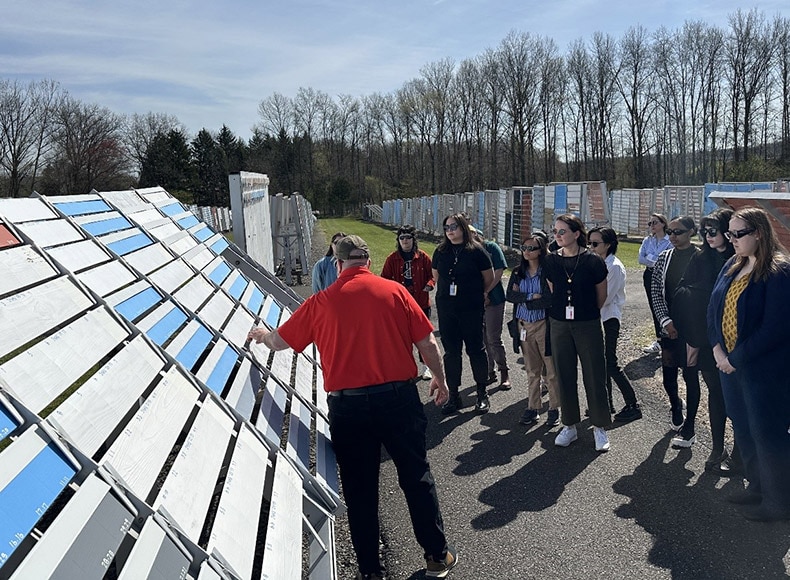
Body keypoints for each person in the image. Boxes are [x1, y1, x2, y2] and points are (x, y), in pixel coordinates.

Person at [248, 235, 458, 578]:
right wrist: (440, 379)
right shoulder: (395, 293)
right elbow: (427, 342)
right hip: (398, 400)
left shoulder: (320, 302)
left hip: (349, 408)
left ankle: (370, 571)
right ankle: (436, 555)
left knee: (361, 490)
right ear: (368, 262)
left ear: (337, 263)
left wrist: (262, 336)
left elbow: (280, 341)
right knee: (416, 476)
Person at [707, 207, 790, 521]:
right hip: (729, 367)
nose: (732, 240)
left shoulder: (779, 271)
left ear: (758, 232)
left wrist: (735, 359)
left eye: (738, 234)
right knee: (743, 429)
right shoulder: (732, 263)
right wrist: (717, 350)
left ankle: (779, 501)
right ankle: (758, 486)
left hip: (762, 372)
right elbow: (713, 308)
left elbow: (776, 328)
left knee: (767, 433)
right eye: (729, 233)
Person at [673, 209, 740, 473]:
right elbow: (681, 289)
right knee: (715, 392)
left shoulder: (740, 259)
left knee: (737, 397)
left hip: (735, 338)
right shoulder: (700, 258)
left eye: (714, 231)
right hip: (706, 336)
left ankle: (739, 451)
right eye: (705, 231)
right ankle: (716, 445)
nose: (709, 236)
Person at [543, 214, 611, 452]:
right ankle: (569, 425)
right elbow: (554, 290)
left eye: (562, 231)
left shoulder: (593, 261)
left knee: (594, 373)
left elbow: (600, 296)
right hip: (560, 323)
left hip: (588, 323)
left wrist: (586, 313)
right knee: (564, 373)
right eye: (555, 231)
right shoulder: (551, 261)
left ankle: (600, 426)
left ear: (576, 233)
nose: (558, 236)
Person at [432, 213, 495, 414]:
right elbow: (436, 276)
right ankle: (454, 396)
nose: (450, 231)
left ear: (463, 228)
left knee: (476, 350)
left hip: (471, 308)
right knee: (451, 352)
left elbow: (489, 278)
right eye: (447, 228)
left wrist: (475, 293)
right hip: (447, 309)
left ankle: (481, 394)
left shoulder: (476, 251)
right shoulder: (441, 251)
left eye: (454, 227)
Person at [649, 216, 702, 447]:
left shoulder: (701, 256)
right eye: (669, 231)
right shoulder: (664, 257)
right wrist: (665, 321)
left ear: (691, 231)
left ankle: (690, 426)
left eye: (678, 232)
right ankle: (675, 405)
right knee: (669, 371)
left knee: (691, 375)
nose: (672, 236)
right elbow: (656, 292)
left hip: (692, 327)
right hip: (668, 325)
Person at [505, 230, 561, 427]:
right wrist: (530, 297)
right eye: (524, 248)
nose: (526, 252)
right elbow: (510, 296)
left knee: (551, 370)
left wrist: (527, 298)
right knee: (532, 370)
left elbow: (549, 299)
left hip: (543, 325)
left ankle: (554, 408)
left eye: (531, 248)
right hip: (523, 325)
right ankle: (533, 407)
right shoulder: (517, 273)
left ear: (540, 250)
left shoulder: (547, 273)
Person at [588, 227, 642, 423]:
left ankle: (633, 404)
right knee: (599, 364)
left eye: (595, 244)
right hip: (597, 318)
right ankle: (606, 403)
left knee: (610, 363)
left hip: (608, 319)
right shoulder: (596, 263)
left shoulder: (614, 267)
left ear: (608, 244)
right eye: (589, 243)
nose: (591, 247)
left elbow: (605, 297)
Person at [381, 225, 435, 380]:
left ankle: (426, 367)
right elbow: (384, 278)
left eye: (408, 237)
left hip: (421, 303)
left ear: (413, 239)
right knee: (402, 338)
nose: (405, 241)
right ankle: (405, 369)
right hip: (401, 305)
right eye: (402, 238)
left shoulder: (422, 257)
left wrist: (429, 285)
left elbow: (433, 275)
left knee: (423, 338)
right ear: (398, 240)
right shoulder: (392, 259)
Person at [472, 228, 510, 389]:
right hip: (474, 301)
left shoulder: (491, 247)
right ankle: (489, 371)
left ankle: (504, 371)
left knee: (493, 337)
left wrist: (486, 291)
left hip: (494, 299)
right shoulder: (468, 251)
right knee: (482, 339)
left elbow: (499, 270)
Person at [639, 214, 672, 354]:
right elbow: (641, 259)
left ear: (663, 224)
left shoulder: (669, 241)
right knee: (654, 306)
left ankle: (668, 337)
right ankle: (659, 340)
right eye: (649, 223)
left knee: (664, 305)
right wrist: (656, 259)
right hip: (649, 274)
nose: (651, 225)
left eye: (655, 222)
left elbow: (665, 259)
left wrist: (651, 258)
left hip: (664, 275)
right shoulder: (647, 240)